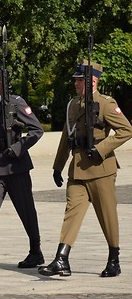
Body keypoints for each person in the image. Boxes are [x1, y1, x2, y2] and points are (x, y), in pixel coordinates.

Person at [39, 60, 132, 278]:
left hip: (101, 169)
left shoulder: (106, 104)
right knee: (71, 213)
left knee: (107, 215)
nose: (75, 83)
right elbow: (66, 137)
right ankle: (61, 259)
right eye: (75, 80)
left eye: (80, 80)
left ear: (93, 81)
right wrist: (58, 166)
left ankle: (114, 259)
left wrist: (101, 149)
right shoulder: (72, 104)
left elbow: (126, 130)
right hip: (78, 169)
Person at [0, 66, 45, 271]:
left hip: (16, 165)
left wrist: (18, 148)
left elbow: (37, 130)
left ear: (0, 83)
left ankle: (36, 251)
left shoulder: (16, 103)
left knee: (26, 209)